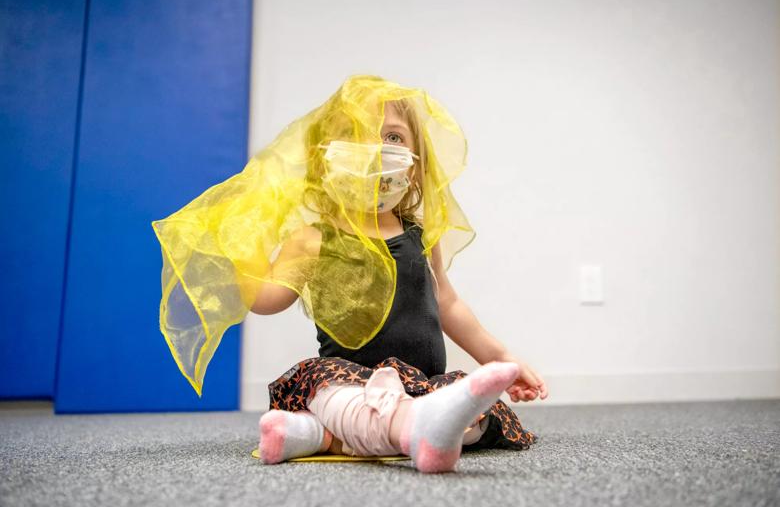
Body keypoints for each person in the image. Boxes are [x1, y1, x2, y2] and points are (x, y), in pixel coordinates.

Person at [151, 75, 548, 473]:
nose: (376, 150)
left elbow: (449, 303)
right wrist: (241, 250)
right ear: (325, 159)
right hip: (350, 380)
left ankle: (321, 436)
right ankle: (411, 430)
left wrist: (502, 358)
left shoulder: (422, 234)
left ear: (416, 161)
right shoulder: (312, 238)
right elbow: (266, 301)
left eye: (393, 138)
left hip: (423, 383)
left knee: (480, 407)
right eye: (355, 137)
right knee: (332, 394)